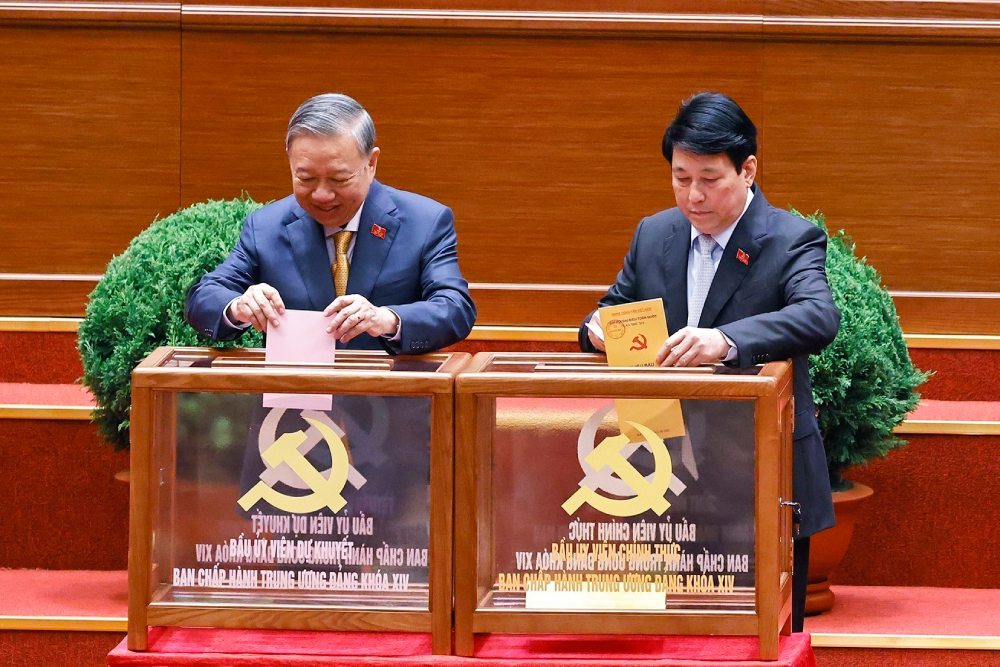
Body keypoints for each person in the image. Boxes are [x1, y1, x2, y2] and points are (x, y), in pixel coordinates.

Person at [579, 92, 840, 631]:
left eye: (709, 178)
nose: (693, 196)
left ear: (748, 170)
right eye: (680, 177)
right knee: (673, 634)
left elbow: (817, 317)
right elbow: (614, 307)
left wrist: (725, 340)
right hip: (659, 463)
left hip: (758, 464)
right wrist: (595, 329)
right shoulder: (656, 233)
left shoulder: (789, 238)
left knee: (765, 634)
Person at [186, 92, 476, 354]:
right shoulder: (266, 226)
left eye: (339, 179)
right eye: (306, 179)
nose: (322, 195)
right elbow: (203, 298)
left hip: (391, 402)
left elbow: (455, 308)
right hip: (293, 403)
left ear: (371, 164)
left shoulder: (425, 222)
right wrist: (238, 306)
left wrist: (386, 319)